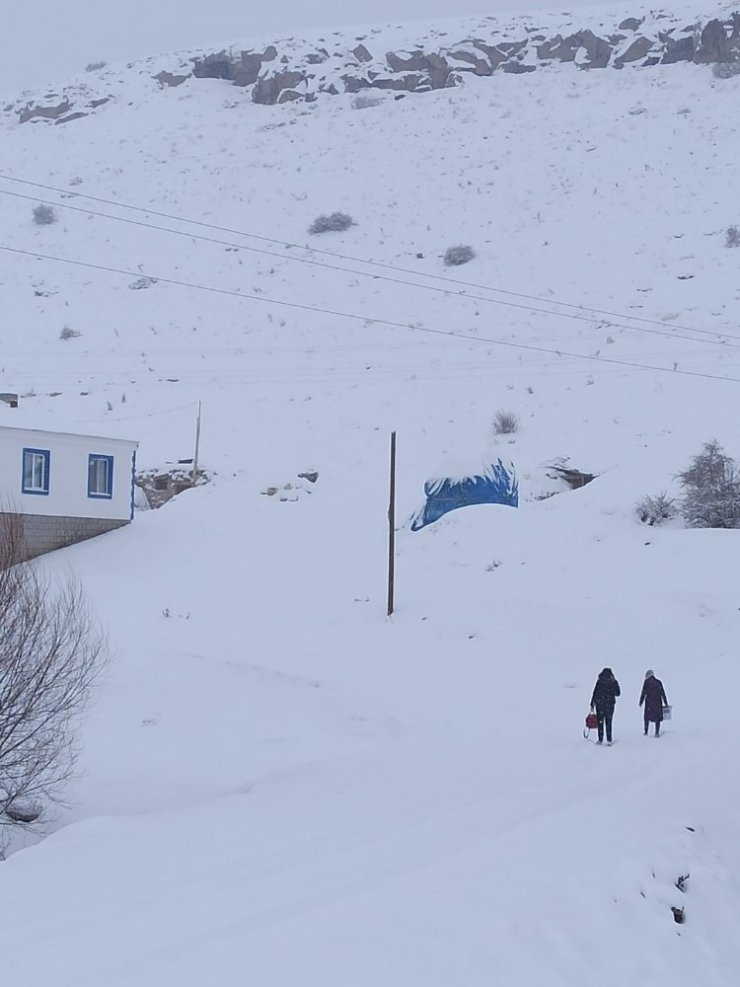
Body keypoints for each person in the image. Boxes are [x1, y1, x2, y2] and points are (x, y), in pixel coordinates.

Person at [590, 667, 621, 745]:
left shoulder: (599, 681)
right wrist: (614, 682)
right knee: (608, 722)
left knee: (600, 722)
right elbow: (618, 693)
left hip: (599, 705)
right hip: (609, 705)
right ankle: (609, 740)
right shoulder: (612, 682)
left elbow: (595, 692)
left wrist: (592, 703)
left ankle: (600, 739)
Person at [639, 670, 668, 737]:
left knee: (646, 717)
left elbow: (643, 692)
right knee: (657, 718)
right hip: (657, 702)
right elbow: (663, 693)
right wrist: (666, 702)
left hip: (649, 703)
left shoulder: (646, 682)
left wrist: (641, 701)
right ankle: (656, 733)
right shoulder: (659, 682)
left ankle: (646, 731)